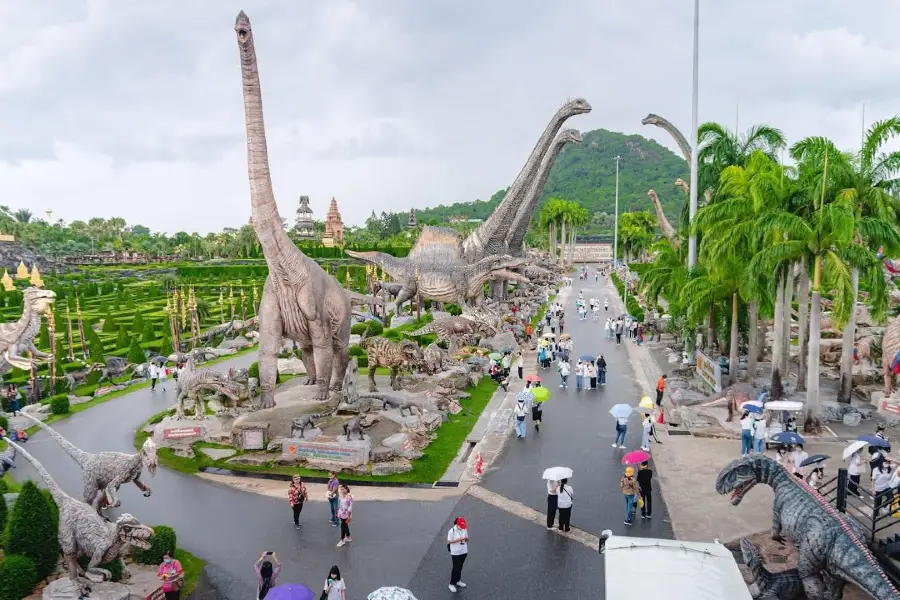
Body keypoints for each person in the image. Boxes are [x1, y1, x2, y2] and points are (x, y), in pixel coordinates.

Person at [447, 517, 469, 593]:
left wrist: (466, 539)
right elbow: (449, 541)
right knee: (456, 568)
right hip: (455, 552)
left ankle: (458, 580)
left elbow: (467, 538)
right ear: (457, 524)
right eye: (461, 526)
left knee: (460, 567)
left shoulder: (464, 529)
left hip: (463, 551)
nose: (462, 527)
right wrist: (460, 539)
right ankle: (451, 584)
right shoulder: (451, 531)